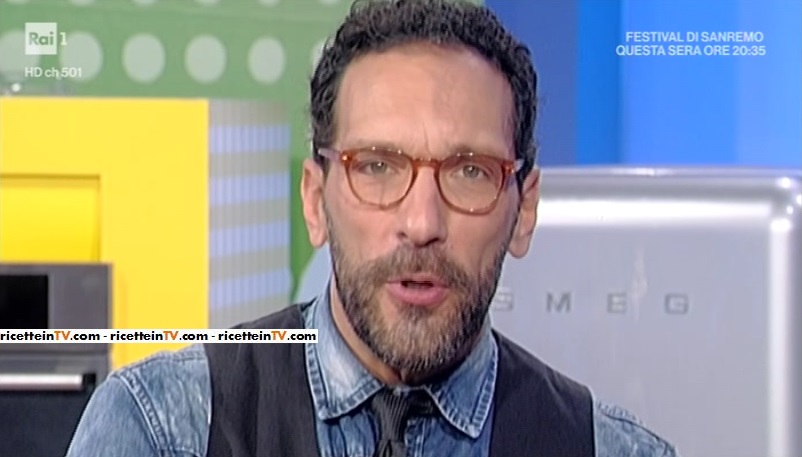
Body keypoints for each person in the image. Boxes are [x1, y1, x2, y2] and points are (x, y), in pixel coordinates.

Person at [66, 1, 680, 456]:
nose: (421, 223)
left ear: (523, 211)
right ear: (315, 200)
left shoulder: (613, 450)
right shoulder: (160, 429)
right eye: (378, 167)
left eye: (469, 172)